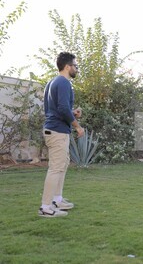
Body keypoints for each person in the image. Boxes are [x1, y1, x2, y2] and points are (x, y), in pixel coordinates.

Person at [38, 52, 84, 217]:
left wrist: (73, 113)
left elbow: (54, 110)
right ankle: (45, 207)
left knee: (61, 165)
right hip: (57, 131)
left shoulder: (52, 82)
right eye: (75, 66)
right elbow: (63, 109)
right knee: (56, 168)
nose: (77, 69)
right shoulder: (64, 82)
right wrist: (78, 126)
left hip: (55, 128)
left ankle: (57, 200)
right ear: (67, 66)